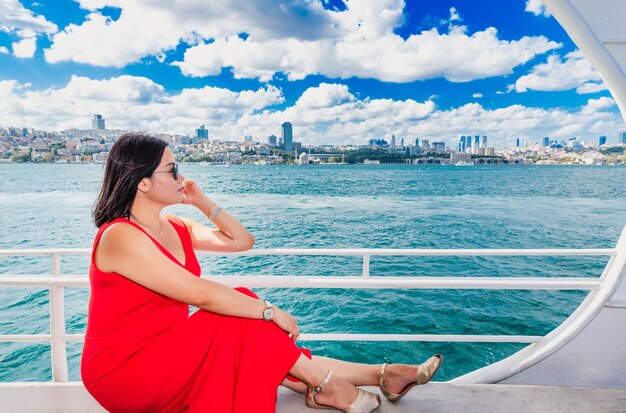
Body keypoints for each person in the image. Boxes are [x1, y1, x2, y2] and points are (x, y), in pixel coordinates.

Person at [81, 133, 443, 413]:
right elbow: (201, 294)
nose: (181, 175)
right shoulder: (120, 236)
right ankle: (331, 386)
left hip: (169, 350)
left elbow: (241, 241)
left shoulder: (175, 226)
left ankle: (380, 376)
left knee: (251, 328)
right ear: (143, 182)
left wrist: (203, 201)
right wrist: (271, 312)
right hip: (126, 372)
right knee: (243, 311)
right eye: (172, 169)